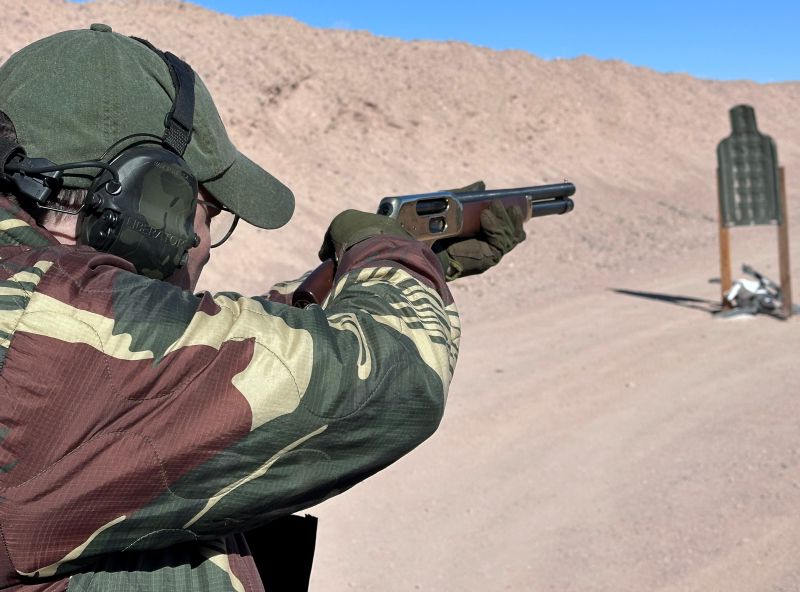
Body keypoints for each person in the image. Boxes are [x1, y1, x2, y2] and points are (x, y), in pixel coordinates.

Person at [0, 25, 524, 591]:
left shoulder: (36, 306)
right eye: (208, 209)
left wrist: (364, 273)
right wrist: (388, 252)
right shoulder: (52, 332)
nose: (203, 241)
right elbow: (395, 373)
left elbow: (187, 349)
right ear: (147, 202)